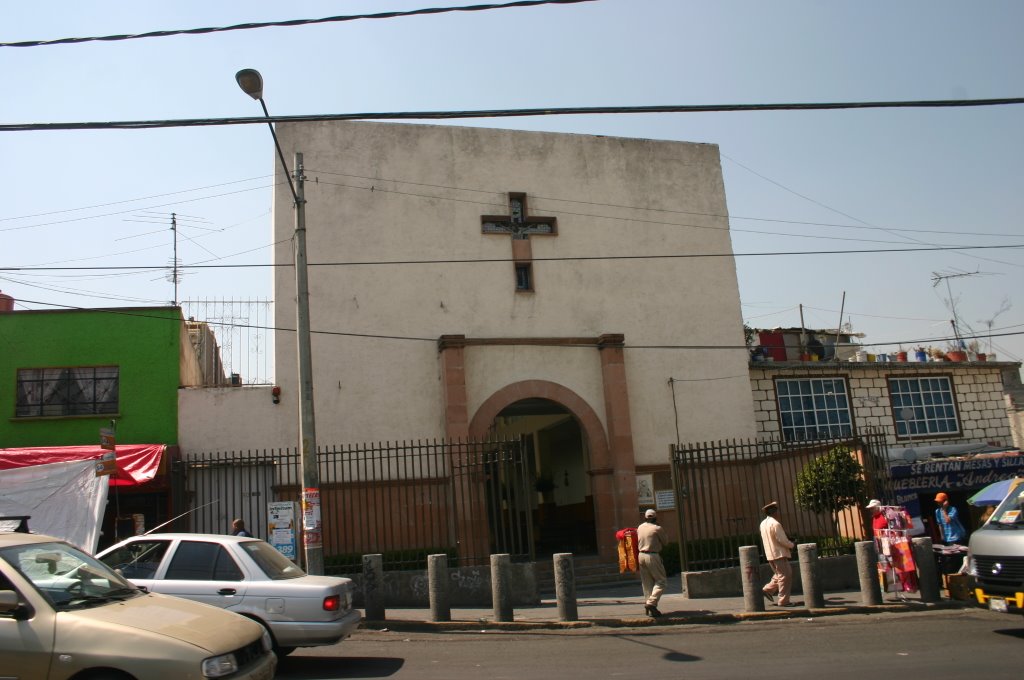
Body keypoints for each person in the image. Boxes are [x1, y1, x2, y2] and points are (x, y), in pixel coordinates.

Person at [759, 501, 796, 607]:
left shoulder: (763, 524)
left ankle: (767, 590)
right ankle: (784, 601)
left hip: (770, 554)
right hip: (779, 553)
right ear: (774, 512)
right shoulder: (775, 524)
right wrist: (792, 545)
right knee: (786, 575)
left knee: (779, 574)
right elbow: (782, 540)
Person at [637, 508, 667, 617]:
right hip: (652, 555)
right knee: (661, 581)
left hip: (641, 555)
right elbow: (665, 542)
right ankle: (651, 603)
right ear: (655, 518)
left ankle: (650, 608)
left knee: (647, 583)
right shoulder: (657, 528)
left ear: (645, 517)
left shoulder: (640, 527)